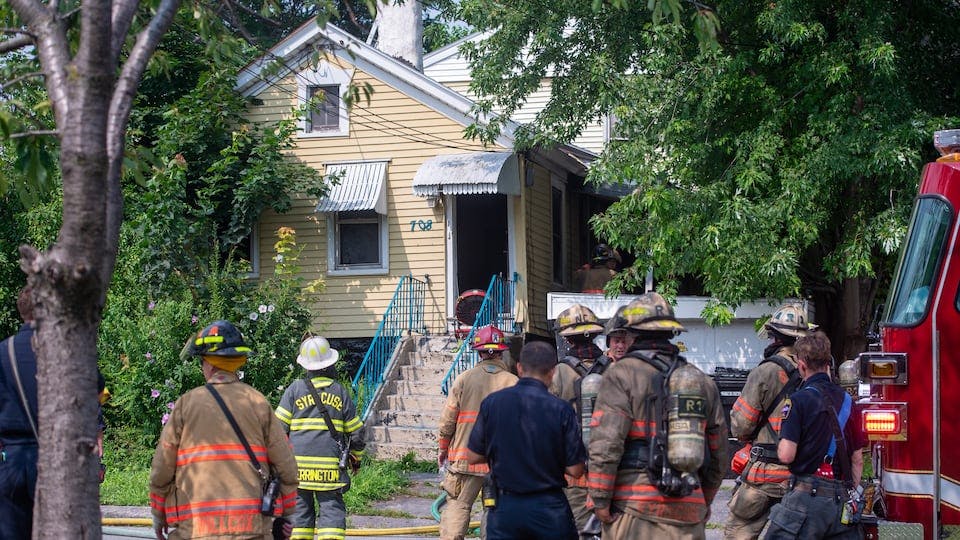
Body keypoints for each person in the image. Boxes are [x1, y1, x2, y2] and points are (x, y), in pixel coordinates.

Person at [588, 292, 728, 539]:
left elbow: (606, 446)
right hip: (689, 507)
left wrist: (600, 500)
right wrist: (703, 499)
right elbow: (719, 452)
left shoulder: (621, 374)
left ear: (631, 334)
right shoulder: (701, 381)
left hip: (636, 510)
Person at [150, 320, 299, 540]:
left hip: (195, 528)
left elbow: (162, 467)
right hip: (249, 528)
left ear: (210, 365)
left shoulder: (186, 405)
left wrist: (158, 514)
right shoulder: (257, 402)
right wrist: (288, 515)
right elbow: (286, 465)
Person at [466, 341, 587, 540]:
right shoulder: (561, 409)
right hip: (550, 509)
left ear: (519, 368)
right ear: (552, 372)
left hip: (505, 509)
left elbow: (472, 456)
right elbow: (576, 470)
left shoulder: (492, 403)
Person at [764, 331, 866, 539]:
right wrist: (850, 496)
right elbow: (857, 460)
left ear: (802, 366)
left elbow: (786, 455)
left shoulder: (798, 401)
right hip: (841, 504)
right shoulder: (849, 402)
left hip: (806, 500)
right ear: (828, 364)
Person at [725, 303, 812, 539]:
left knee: (738, 532)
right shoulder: (813, 371)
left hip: (764, 475)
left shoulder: (765, 372)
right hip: (803, 478)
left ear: (775, 337)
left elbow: (741, 425)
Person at [275, 336, 366, 540]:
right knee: (332, 510)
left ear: (304, 365)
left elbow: (277, 430)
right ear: (330, 363)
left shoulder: (294, 390)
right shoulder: (339, 391)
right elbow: (357, 432)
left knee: (299, 515)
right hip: (330, 469)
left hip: (298, 469)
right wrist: (356, 459)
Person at [437, 324, 518, 540]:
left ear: (479, 352)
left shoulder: (464, 379)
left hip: (465, 460)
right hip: (501, 463)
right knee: (496, 511)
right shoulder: (514, 383)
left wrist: (443, 449)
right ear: (501, 352)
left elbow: (448, 421)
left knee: (458, 506)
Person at [548, 304, 606, 532]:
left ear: (567, 339)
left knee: (579, 528)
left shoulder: (558, 373)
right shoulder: (614, 369)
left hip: (574, 468)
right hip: (609, 468)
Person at [0, 287, 39, 540]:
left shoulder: (4, 351)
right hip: (54, 459)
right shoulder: (66, 353)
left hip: (11, 459)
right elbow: (98, 392)